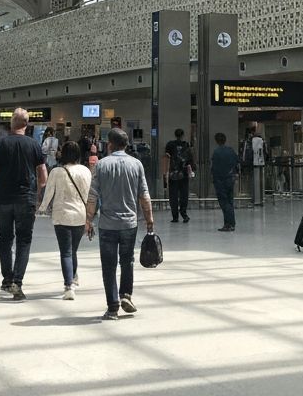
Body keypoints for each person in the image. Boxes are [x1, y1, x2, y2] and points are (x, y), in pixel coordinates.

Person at [85, 126, 154, 320]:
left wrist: (88, 220)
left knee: (108, 266)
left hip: (107, 225)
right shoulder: (136, 165)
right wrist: (149, 219)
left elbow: (93, 196)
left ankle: (113, 308)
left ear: (110, 145)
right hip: (129, 224)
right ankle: (126, 295)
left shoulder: (101, 165)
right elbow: (144, 195)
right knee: (127, 261)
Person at [0, 109, 47, 299]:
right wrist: (39, 193)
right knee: (24, 240)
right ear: (26, 124)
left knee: (5, 239)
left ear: (12, 124)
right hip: (26, 199)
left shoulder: (2, 144)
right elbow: (43, 175)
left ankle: (7, 279)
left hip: (4, 200)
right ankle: (17, 282)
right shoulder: (34, 145)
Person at [38, 139, 91, 299]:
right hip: (80, 216)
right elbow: (89, 195)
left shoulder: (57, 172)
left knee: (66, 252)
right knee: (72, 250)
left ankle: (68, 286)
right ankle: (73, 277)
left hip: (61, 216)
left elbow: (49, 193)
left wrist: (41, 209)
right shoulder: (86, 171)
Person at [161, 127, 194, 224]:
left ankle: (175, 216)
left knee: (173, 196)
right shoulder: (186, 145)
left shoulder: (170, 145)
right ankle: (184, 214)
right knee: (184, 195)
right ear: (183, 135)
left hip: (173, 175)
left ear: (175, 135)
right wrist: (190, 171)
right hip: (183, 174)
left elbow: (166, 159)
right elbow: (189, 160)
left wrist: (165, 173)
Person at [211, 132, 239, 232]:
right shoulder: (231, 150)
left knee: (224, 203)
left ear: (217, 141)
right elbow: (237, 162)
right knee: (230, 201)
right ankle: (230, 223)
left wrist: (214, 180)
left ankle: (229, 224)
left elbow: (214, 168)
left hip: (220, 181)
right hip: (230, 179)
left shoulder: (216, 152)